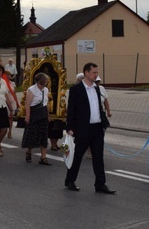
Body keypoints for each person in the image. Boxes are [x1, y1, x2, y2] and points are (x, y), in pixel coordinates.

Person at [63, 63, 115, 194]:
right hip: (82, 128)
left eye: (97, 72)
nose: (96, 75)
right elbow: (71, 110)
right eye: (94, 72)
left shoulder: (97, 89)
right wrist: (70, 127)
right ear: (86, 73)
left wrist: (103, 121)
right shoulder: (76, 90)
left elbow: (98, 107)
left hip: (97, 128)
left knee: (98, 157)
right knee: (78, 156)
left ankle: (100, 184)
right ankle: (70, 180)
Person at [21, 72, 51, 165]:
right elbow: (28, 104)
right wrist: (28, 116)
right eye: (45, 80)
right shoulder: (32, 90)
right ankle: (29, 152)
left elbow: (46, 104)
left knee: (44, 136)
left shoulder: (46, 90)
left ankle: (43, 158)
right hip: (34, 113)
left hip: (43, 114)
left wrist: (48, 115)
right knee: (32, 135)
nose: (46, 82)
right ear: (40, 81)